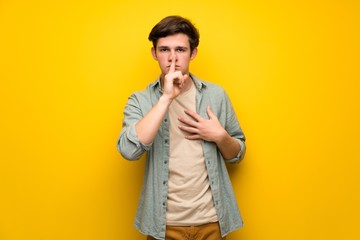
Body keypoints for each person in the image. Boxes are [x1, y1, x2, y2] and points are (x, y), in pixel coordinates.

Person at [117, 15, 246, 240]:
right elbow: (129, 151)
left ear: (193, 53)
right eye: (165, 50)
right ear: (154, 53)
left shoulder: (216, 96)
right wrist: (166, 98)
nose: (173, 58)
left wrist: (219, 136)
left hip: (212, 221)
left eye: (180, 50)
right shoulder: (140, 100)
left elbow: (237, 154)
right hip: (163, 225)